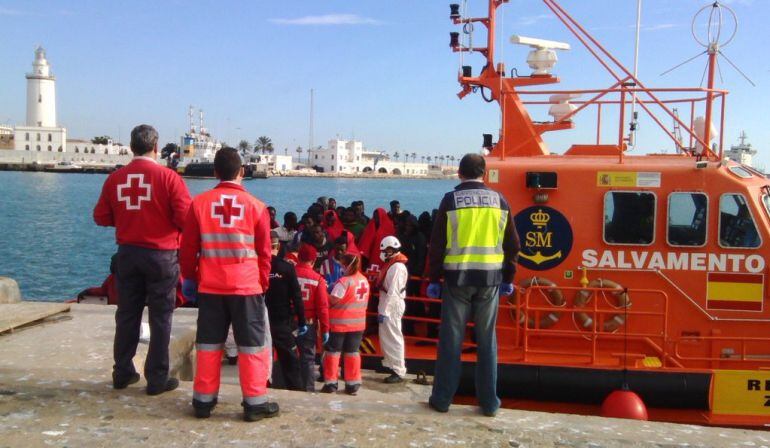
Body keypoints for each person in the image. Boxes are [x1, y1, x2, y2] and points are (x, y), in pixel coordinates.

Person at [179, 147, 278, 421]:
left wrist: (190, 277)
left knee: (209, 345)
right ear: (242, 172)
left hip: (210, 287)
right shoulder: (257, 207)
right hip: (246, 288)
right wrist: (261, 282)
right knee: (252, 346)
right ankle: (254, 402)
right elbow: (265, 253)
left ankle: (203, 401)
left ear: (214, 172)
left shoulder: (198, 204)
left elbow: (187, 249)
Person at [93, 124, 191, 395]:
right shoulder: (169, 178)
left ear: (131, 147)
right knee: (161, 317)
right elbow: (185, 219)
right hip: (161, 256)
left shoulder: (115, 179)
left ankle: (122, 372)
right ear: (156, 147)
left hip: (127, 254)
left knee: (126, 314)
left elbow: (100, 216)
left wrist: (125, 219)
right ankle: (157, 379)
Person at [426, 153, 519, 417]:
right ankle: (489, 403)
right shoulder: (500, 201)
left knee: (451, 341)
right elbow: (513, 245)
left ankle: (442, 400)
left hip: (457, 279)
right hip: (490, 281)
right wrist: (508, 278)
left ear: (459, 173)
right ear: (485, 174)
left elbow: (437, 244)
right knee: (487, 341)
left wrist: (433, 279)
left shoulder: (451, 200)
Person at [321, 253, 370, 395]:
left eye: (342, 264)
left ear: (346, 265)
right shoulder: (364, 280)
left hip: (340, 324)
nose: (341, 267)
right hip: (358, 325)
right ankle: (352, 384)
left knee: (333, 353)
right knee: (352, 353)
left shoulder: (344, 282)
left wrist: (323, 290)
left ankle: (331, 384)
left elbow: (333, 300)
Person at [265, 230, 307, 391]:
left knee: (260, 361)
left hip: (260, 322)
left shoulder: (256, 267)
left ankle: (260, 391)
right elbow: (297, 298)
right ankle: (297, 392)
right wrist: (302, 321)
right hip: (282, 323)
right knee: (290, 362)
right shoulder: (286, 268)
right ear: (278, 246)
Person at [294, 243, 330, 392]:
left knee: (284, 354)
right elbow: (322, 308)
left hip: (288, 323)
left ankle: (283, 385)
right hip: (308, 325)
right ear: (314, 261)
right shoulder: (318, 279)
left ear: (298, 257)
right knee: (308, 358)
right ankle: (307, 389)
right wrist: (325, 329)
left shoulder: (289, 273)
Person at [376, 236, 408, 384]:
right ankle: (391, 365)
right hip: (387, 304)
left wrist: (385, 312)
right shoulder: (392, 265)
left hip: (392, 306)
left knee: (394, 337)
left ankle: (398, 370)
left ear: (390, 250)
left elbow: (393, 292)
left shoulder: (397, 268)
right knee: (387, 337)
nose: (382, 253)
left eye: (384, 250)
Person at [358, 208, 395, 282]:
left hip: (384, 259)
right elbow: (365, 242)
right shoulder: (371, 226)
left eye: (377, 216)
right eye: (374, 216)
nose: (375, 219)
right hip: (371, 259)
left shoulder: (390, 227)